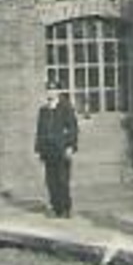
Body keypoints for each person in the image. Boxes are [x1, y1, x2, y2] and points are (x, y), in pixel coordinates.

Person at [33, 86, 79, 217]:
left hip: (62, 149)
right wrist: (39, 149)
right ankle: (56, 207)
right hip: (48, 150)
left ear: (58, 92)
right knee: (51, 180)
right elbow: (40, 131)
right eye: (48, 90)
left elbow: (73, 128)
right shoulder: (43, 110)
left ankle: (66, 208)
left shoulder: (66, 108)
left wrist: (70, 146)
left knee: (62, 180)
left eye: (53, 91)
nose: (50, 93)